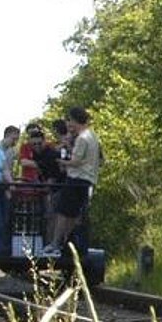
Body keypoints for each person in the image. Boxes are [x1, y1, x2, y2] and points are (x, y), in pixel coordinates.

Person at [51, 106, 103, 254]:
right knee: (76, 215)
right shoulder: (92, 136)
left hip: (76, 180)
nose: (68, 124)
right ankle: (70, 244)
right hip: (88, 180)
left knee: (63, 213)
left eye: (70, 120)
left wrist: (60, 162)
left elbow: (76, 161)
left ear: (75, 120)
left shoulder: (81, 138)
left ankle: (56, 244)